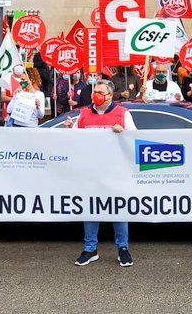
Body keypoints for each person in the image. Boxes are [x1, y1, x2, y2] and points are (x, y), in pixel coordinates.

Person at [64, 79, 135, 267]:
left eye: (100, 92)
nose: (95, 95)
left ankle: (123, 249)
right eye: (95, 91)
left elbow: (135, 140)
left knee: (118, 210)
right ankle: (90, 249)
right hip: (91, 171)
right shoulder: (84, 113)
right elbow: (73, 140)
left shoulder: (123, 114)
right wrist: (67, 130)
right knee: (91, 210)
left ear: (110, 96)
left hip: (115, 170)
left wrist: (124, 134)